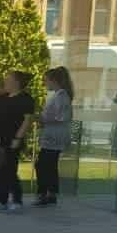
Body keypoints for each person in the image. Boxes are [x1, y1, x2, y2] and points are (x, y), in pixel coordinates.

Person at [0, 70, 37, 212]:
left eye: (8, 79)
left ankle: (17, 199)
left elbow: (27, 120)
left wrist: (18, 138)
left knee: (10, 169)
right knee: (0, 170)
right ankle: (2, 200)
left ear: (16, 82)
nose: (5, 82)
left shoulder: (25, 99)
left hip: (13, 139)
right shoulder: (2, 97)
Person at [33, 66, 74, 206]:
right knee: (49, 164)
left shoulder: (61, 96)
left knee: (43, 165)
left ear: (54, 80)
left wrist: (40, 118)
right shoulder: (58, 95)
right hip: (53, 134)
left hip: (54, 136)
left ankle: (44, 193)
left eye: (46, 81)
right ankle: (50, 193)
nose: (45, 84)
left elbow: (60, 116)